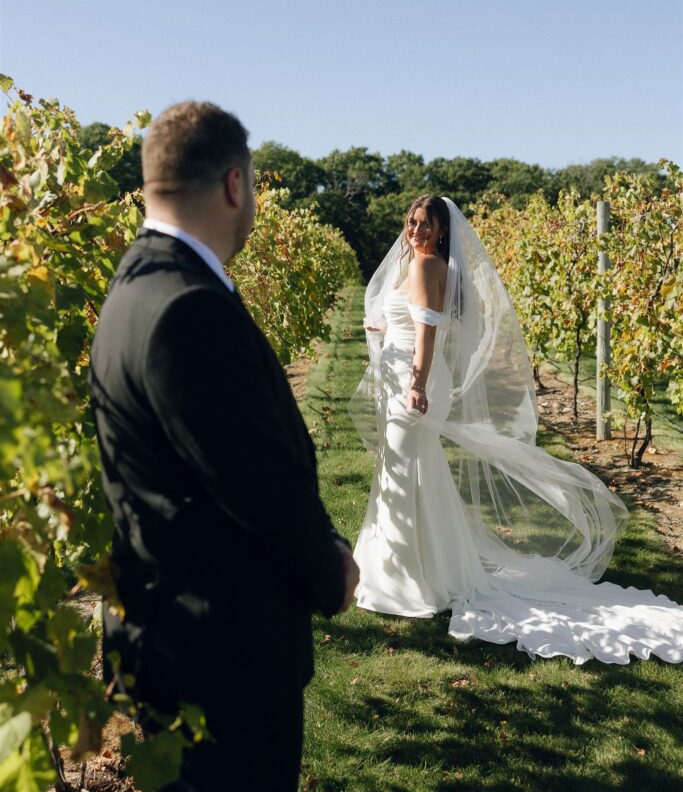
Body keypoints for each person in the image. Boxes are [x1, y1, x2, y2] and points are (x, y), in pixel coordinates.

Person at [89, 100, 359, 792]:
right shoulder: (189, 308)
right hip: (220, 658)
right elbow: (259, 488)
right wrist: (331, 572)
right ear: (236, 185)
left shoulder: (137, 282)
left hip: (174, 642)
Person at [350, 193, 683, 664]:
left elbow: (427, 333)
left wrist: (418, 384)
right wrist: (385, 335)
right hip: (405, 376)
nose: (417, 230)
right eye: (412, 221)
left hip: (413, 382)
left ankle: (406, 579)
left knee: (404, 472)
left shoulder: (426, 267)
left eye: (426, 224)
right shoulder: (423, 265)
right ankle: (430, 571)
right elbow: (416, 325)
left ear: (442, 231)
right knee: (411, 469)